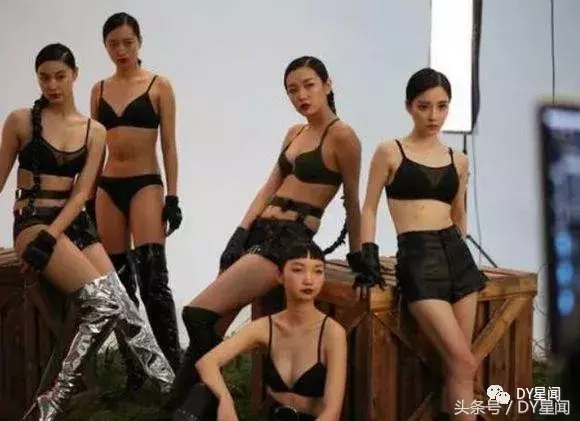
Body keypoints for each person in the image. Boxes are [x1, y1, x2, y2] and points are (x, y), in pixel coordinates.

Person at [166, 56, 366, 414]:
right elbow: (269, 187)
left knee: (197, 315)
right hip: (259, 231)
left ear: (327, 84)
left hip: (288, 240)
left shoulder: (343, 137)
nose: (301, 95)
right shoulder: (295, 133)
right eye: (292, 90)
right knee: (213, 329)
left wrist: (359, 257)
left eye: (309, 85)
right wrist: (239, 233)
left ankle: (204, 404)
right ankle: (182, 410)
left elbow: (353, 202)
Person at [0, 43, 175, 421]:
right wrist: (46, 237)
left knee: (126, 311)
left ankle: (172, 390)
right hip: (33, 222)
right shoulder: (19, 121)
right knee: (102, 305)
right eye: (44, 77)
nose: (52, 85)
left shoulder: (95, 131)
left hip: (72, 224)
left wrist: (55, 234)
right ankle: (52, 403)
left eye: (60, 76)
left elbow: (81, 194)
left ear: (75, 75)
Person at [356, 67, 487, 421]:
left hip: (458, 260)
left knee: (459, 368)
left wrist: (461, 248)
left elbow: (459, 214)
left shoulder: (458, 160)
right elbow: (369, 207)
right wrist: (367, 255)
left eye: (442, 106)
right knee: (464, 361)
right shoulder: (390, 151)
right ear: (408, 107)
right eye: (424, 106)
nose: (433, 116)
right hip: (418, 259)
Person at [89, 11, 183, 390]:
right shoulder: (98, 90)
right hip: (107, 187)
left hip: (146, 183)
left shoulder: (159, 86)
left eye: (127, 42)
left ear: (139, 41)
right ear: (105, 46)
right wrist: (87, 196)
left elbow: (169, 145)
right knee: (119, 287)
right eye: (113, 44)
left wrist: (173, 196)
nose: (121, 50)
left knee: (153, 280)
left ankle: (173, 369)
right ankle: (137, 369)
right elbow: (95, 149)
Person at [187, 241, 347, 421]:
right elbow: (207, 362)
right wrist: (225, 401)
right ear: (280, 275)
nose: (309, 280)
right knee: (198, 398)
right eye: (298, 270)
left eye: (318, 271)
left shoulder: (332, 333)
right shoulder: (267, 326)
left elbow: (332, 412)